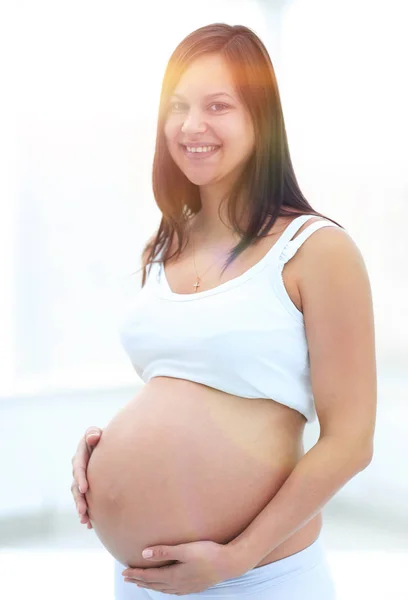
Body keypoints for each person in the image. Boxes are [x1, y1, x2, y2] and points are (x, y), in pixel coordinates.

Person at [71, 23, 377, 599]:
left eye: (218, 106)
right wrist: (108, 452)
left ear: (261, 121)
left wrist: (237, 557)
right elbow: (183, 387)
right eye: (178, 106)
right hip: (142, 581)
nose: (192, 126)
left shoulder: (317, 250)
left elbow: (350, 442)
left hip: (256, 578)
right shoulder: (166, 245)